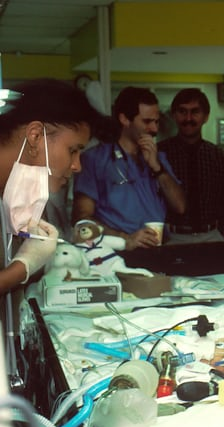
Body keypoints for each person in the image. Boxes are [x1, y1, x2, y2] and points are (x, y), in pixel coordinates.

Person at [0, 78, 115, 376]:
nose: (77, 165)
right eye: (73, 150)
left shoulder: (8, 196)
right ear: (35, 135)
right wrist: (22, 267)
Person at [72, 87, 186, 250]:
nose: (154, 129)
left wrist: (157, 168)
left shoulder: (158, 158)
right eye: (147, 122)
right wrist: (125, 239)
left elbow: (180, 206)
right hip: (118, 251)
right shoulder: (95, 159)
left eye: (156, 122)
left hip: (159, 248)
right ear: (124, 119)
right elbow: (81, 220)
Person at [157, 88, 224, 244]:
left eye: (195, 112)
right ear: (174, 115)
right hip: (172, 238)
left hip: (212, 236)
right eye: (182, 112)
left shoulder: (219, 157)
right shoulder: (160, 154)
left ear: (206, 116)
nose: (188, 118)